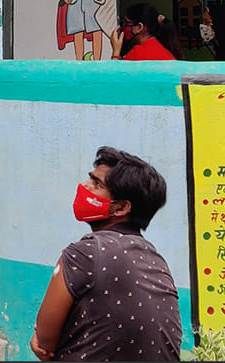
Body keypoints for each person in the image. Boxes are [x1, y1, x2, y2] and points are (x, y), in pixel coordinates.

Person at [30, 146, 180, 361]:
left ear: (120, 208)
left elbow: (44, 342)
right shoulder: (155, 258)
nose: (84, 186)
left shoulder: (85, 253)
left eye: (97, 184)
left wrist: (44, 341)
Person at [109, 3, 176, 61]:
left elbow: (113, 75)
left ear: (139, 27)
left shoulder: (137, 53)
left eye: (126, 22)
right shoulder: (165, 50)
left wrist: (116, 53)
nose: (123, 27)